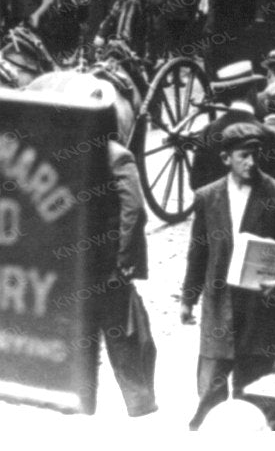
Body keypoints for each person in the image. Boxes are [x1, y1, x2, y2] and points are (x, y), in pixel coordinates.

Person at [181, 122, 275, 430]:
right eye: (243, 156)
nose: (251, 162)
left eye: (255, 155)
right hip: (219, 310)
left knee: (253, 393)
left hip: (261, 313)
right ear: (226, 158)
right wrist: (189, 299)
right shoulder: (207, 197)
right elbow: (198, 253)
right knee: (210, 391)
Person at [98, 95, 159, 417]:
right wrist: (124, 260)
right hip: (109, 264)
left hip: (80, 262)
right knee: (127, 331)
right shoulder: (119, 156)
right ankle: (139, 402)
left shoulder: (75, 153)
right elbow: (134, 209)